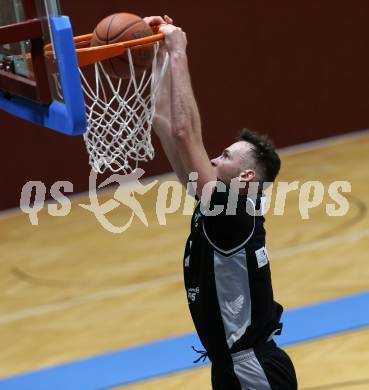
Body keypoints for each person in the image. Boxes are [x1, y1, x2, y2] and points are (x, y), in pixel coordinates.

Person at [144, 15, 298, 390]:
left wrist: (178, 50)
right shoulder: (222, 208)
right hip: (237, 366)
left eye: (226, 156)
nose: (213, 159)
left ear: (247, 177)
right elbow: (165, 123)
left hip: (250, 368)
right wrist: (157, 57)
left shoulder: (231, 213)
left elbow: (185, 133)